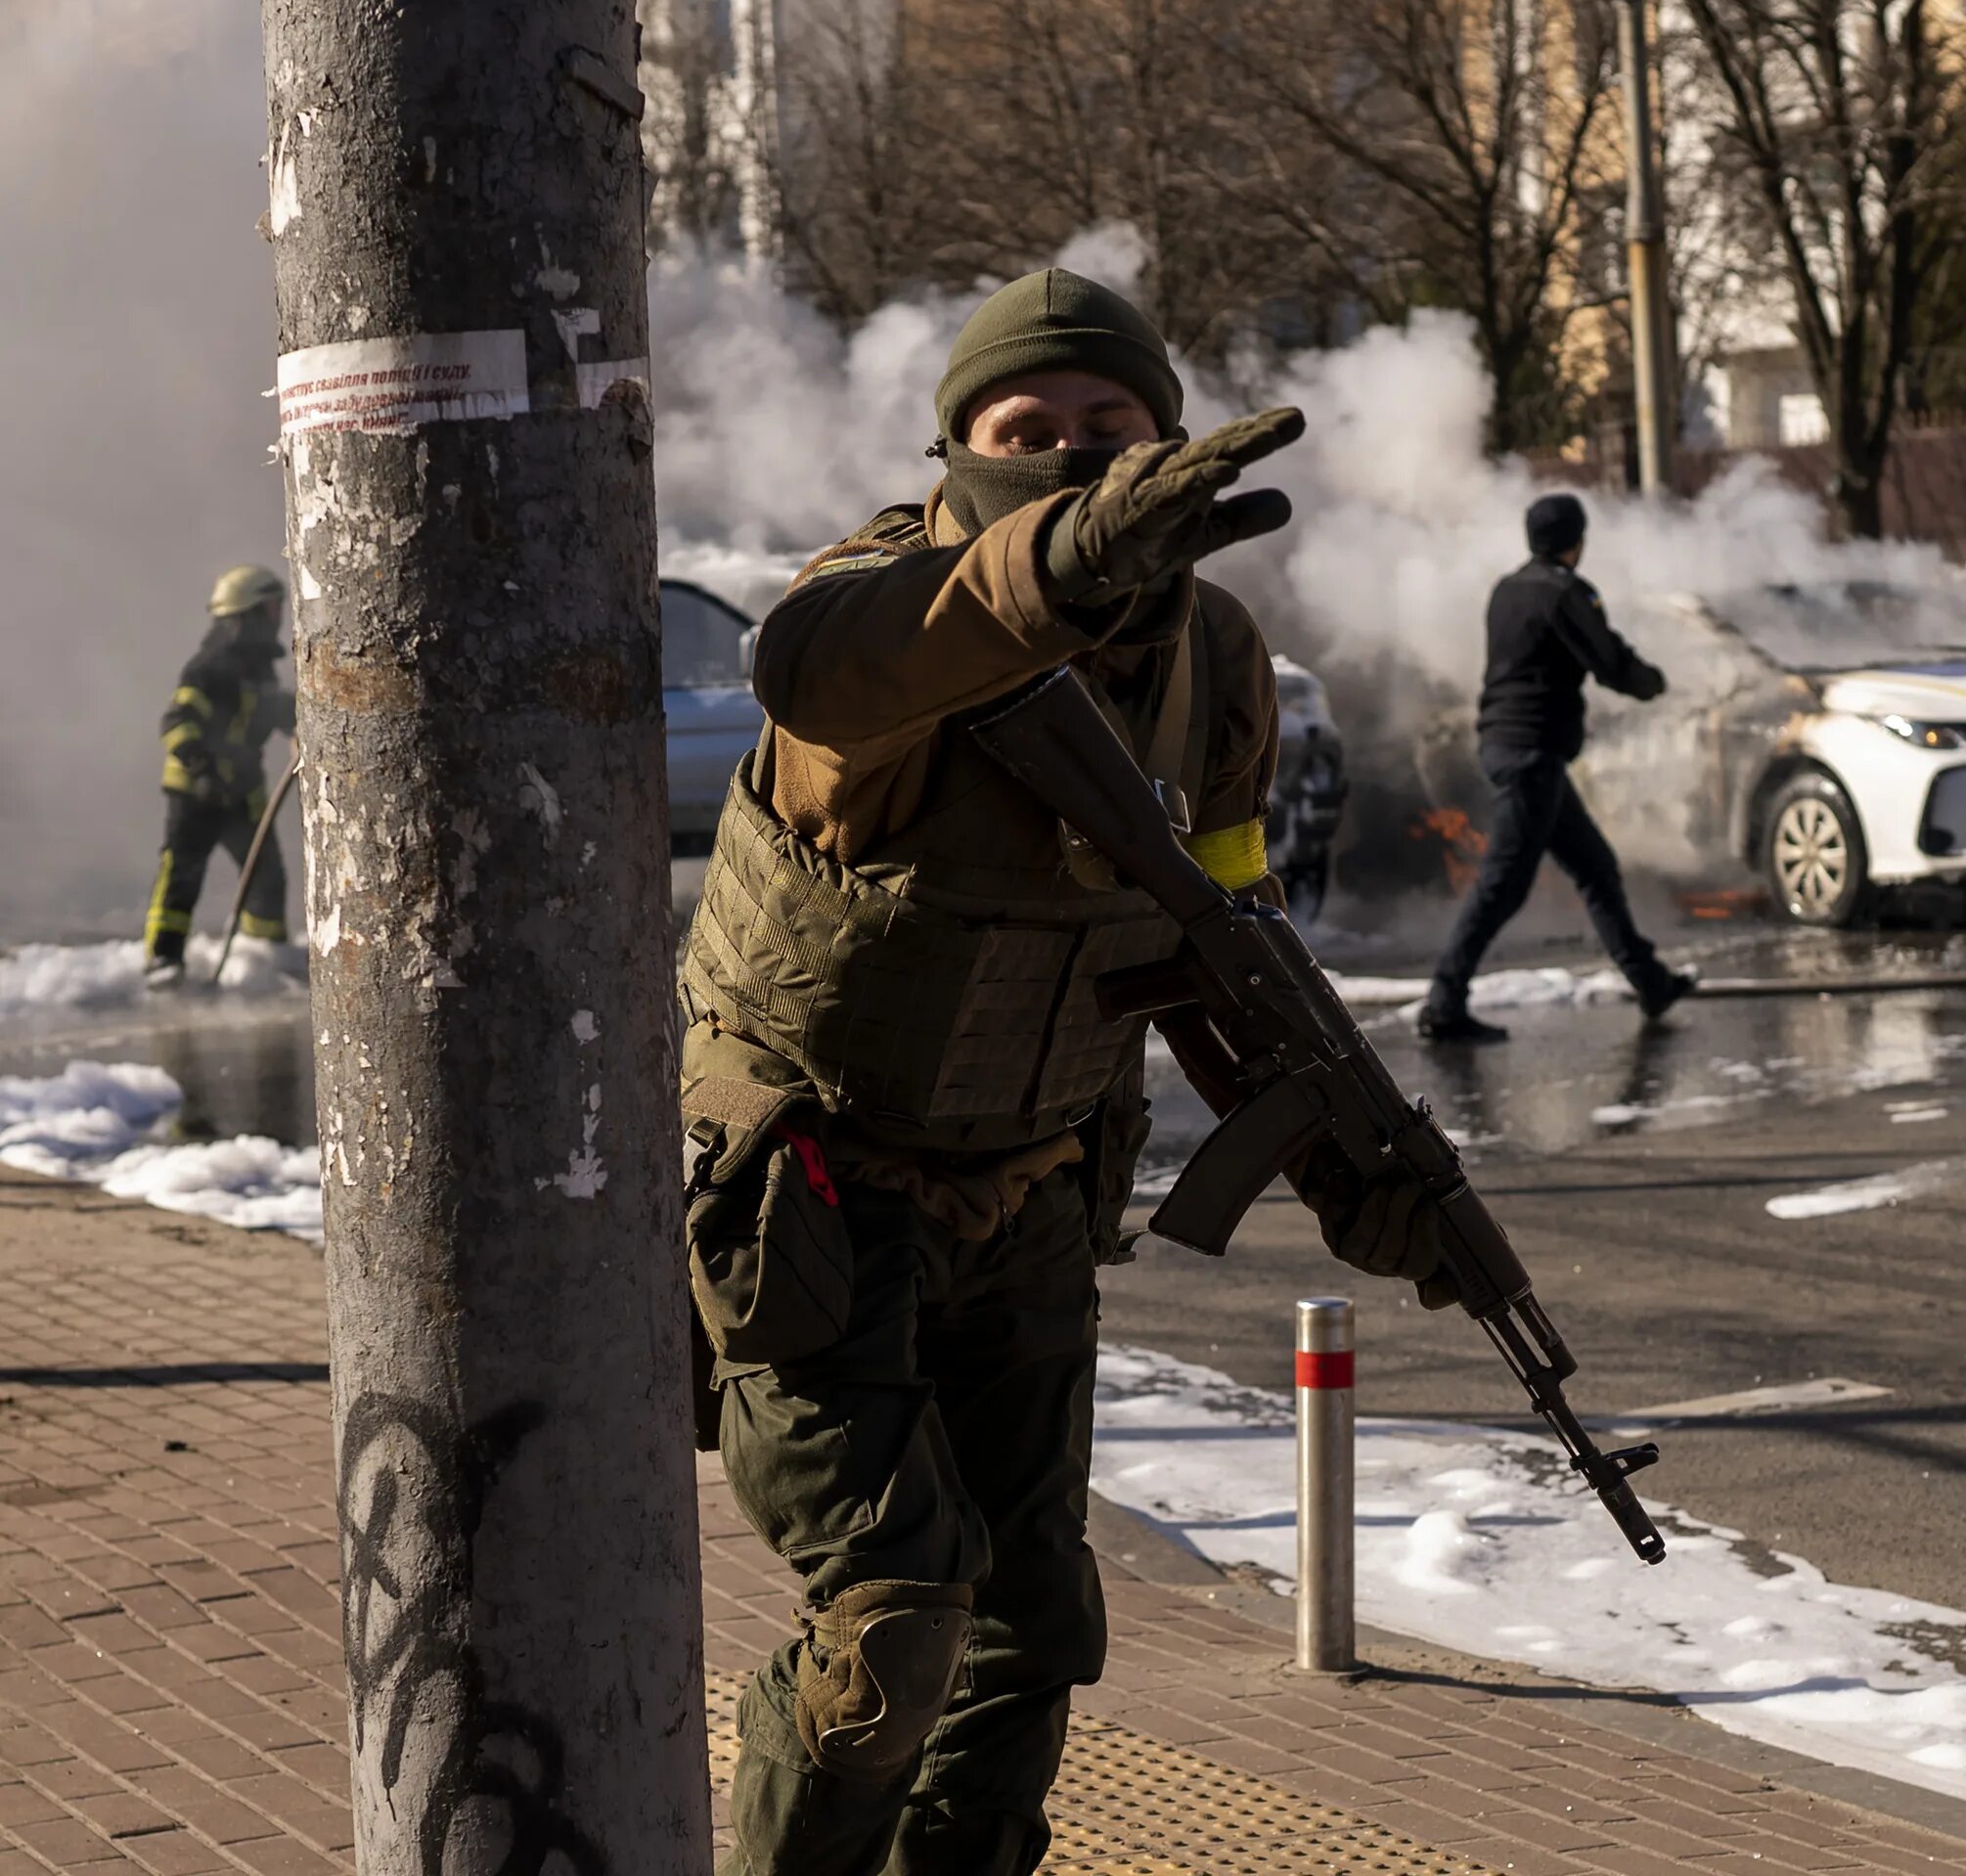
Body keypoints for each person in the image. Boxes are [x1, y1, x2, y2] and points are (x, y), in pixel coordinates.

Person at [676, 269, 1442, 1876]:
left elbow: (1227, 945)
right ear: (956, 451)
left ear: (1173, 441)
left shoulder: (1218, 666)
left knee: (1032, 1630)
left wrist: (1354, 1167)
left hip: (1026, 1189)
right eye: (1028, 432)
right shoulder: (875, 609)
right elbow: (818, 676)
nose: (1076, 458)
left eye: (1113, 429)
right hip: (815, 1195)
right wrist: (1056, 563)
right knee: (896, 1631)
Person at [1418, 493, 1694, 1043]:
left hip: (1511, 747)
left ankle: (1651, 982)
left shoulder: (1507, 589)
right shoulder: (1567, 592)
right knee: (1501, 886)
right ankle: (1443, 1003)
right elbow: (1611, 664)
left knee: (1595, 868)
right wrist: (1653, 682)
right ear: (1576, 540)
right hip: (1531, 755)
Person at [143, 565, 294, 987]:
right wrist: (203, 769)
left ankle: (264, 958)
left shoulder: (258, 668)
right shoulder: (209, 667)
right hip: (197, 791)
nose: (278, 614)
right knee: (182, 874)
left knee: (266, 874)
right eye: (271, 607)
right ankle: (163, 961)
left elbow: (269, 711)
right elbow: (178, 721)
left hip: (242, 790)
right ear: (246, 613)